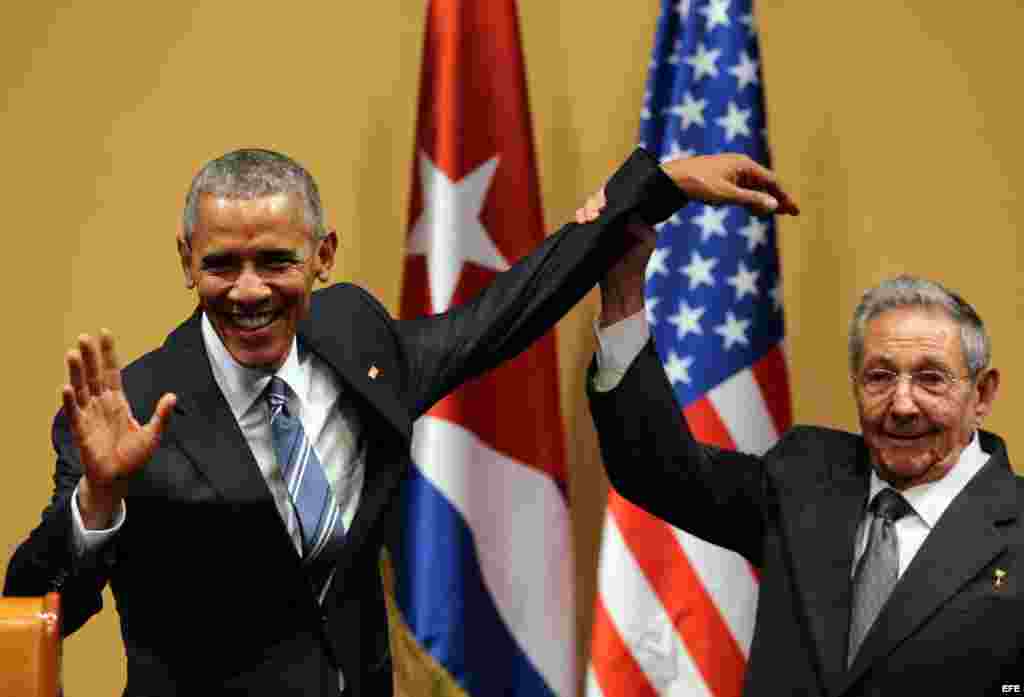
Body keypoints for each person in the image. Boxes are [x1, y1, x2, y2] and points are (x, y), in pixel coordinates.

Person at [3, 147, 796, 696]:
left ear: (323, 254)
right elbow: (38, 609)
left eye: (275, 260)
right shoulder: (127, 408)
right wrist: (98, 503)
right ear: (186, 261)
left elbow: (502, 314)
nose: (248, 290)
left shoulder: (357, 339)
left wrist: (655, 185)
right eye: (221, 264)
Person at [578, 188, 1022, 694]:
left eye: (931, 379)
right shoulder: (805, 474)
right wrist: (621, 294)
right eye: (880, 377)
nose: (902, 405)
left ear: (981, 394)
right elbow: (658, 471)